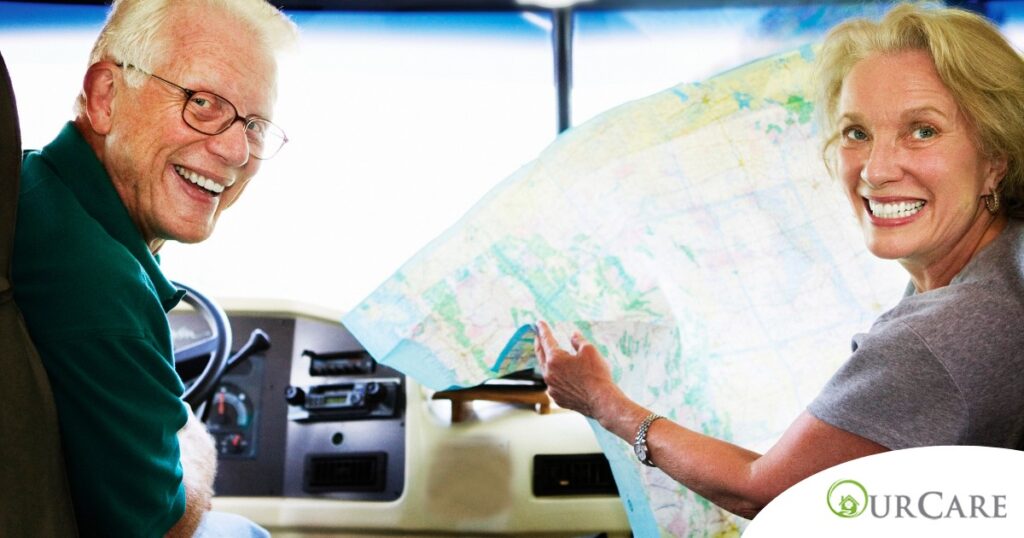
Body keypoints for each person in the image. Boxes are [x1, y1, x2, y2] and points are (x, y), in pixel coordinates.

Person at [535, 2, 1024, 520]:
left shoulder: (941, 335)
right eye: (856, 133)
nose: (877, 170)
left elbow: (762, 490)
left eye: (922, 130)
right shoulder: (1000, 262)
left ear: (996, 161)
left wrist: (605, 403)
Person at [12, 0, 296, 535]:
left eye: (255, 125)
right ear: (105, 97)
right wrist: (193, 439)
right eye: (203, 102)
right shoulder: (98, 284)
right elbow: (161, 524)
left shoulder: (32, 191)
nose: (237, 151)